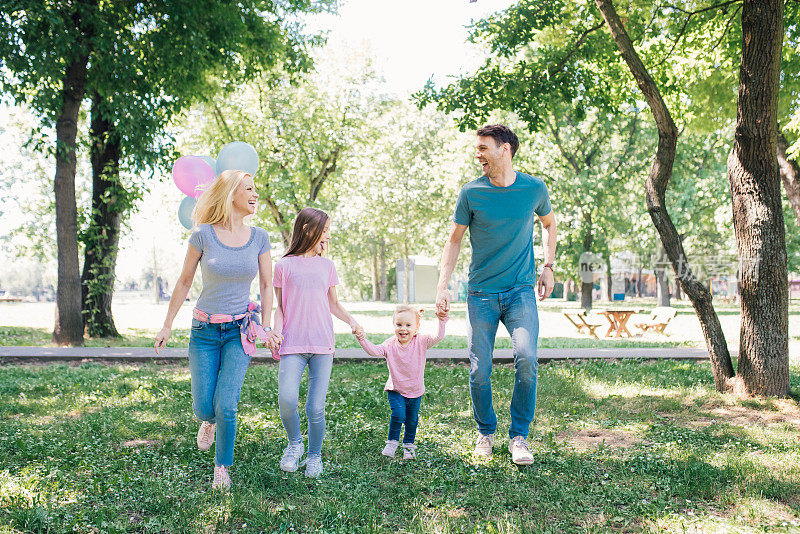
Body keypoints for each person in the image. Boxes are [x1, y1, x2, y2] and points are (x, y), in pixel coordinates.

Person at [435, 124, 558, 466]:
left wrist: (548, 265)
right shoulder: (471, 193)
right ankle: (485, 432)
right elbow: (454, 239)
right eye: (477, 148)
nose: (478, 154)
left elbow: (549, 223)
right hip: (481, 294)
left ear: (505, 149)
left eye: (484, 148)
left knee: (527, 359)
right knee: (479, 370)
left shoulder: (534, 188)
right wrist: (443, 286)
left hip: (520, 291)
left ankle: (519, 436)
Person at [154, 169, 281, 490]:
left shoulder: (260, 237)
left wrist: (266, 326)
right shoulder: (203, 235)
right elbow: (184, 281)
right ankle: (206, 422)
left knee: (227, 404)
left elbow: (267, 285)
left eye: (256, 189)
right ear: (231, 194)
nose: (255, 195)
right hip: (204, 331)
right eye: (249, 189)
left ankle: (222, 467)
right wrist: (167, 324)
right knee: (203, 406)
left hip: (241, 331)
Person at [273, 207, 364, 478]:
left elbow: (333, 303)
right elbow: (280, 307)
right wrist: (276, 332)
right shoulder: (284, 266)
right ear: (307, 229)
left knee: (315, 407)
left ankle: (314, 456)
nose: (327, 234)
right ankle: (295, 444)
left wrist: (352, 322)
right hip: (292, 345)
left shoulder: (328, 266)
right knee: (287, 398)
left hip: (323, 345)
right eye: (324, 229)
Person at [354, 305, 448, 460]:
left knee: (412, 420)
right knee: (398, 415)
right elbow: (374, 351)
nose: (403, 329)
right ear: (394, 326)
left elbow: (438, 336)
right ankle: (392, 442)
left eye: (408, 325)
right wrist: (362, 338)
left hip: (415, 390)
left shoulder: (421, 341)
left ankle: (409, 446)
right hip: (396, 388)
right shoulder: (390, 344)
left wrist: (441, 321)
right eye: (399, 325)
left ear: (417, 327)